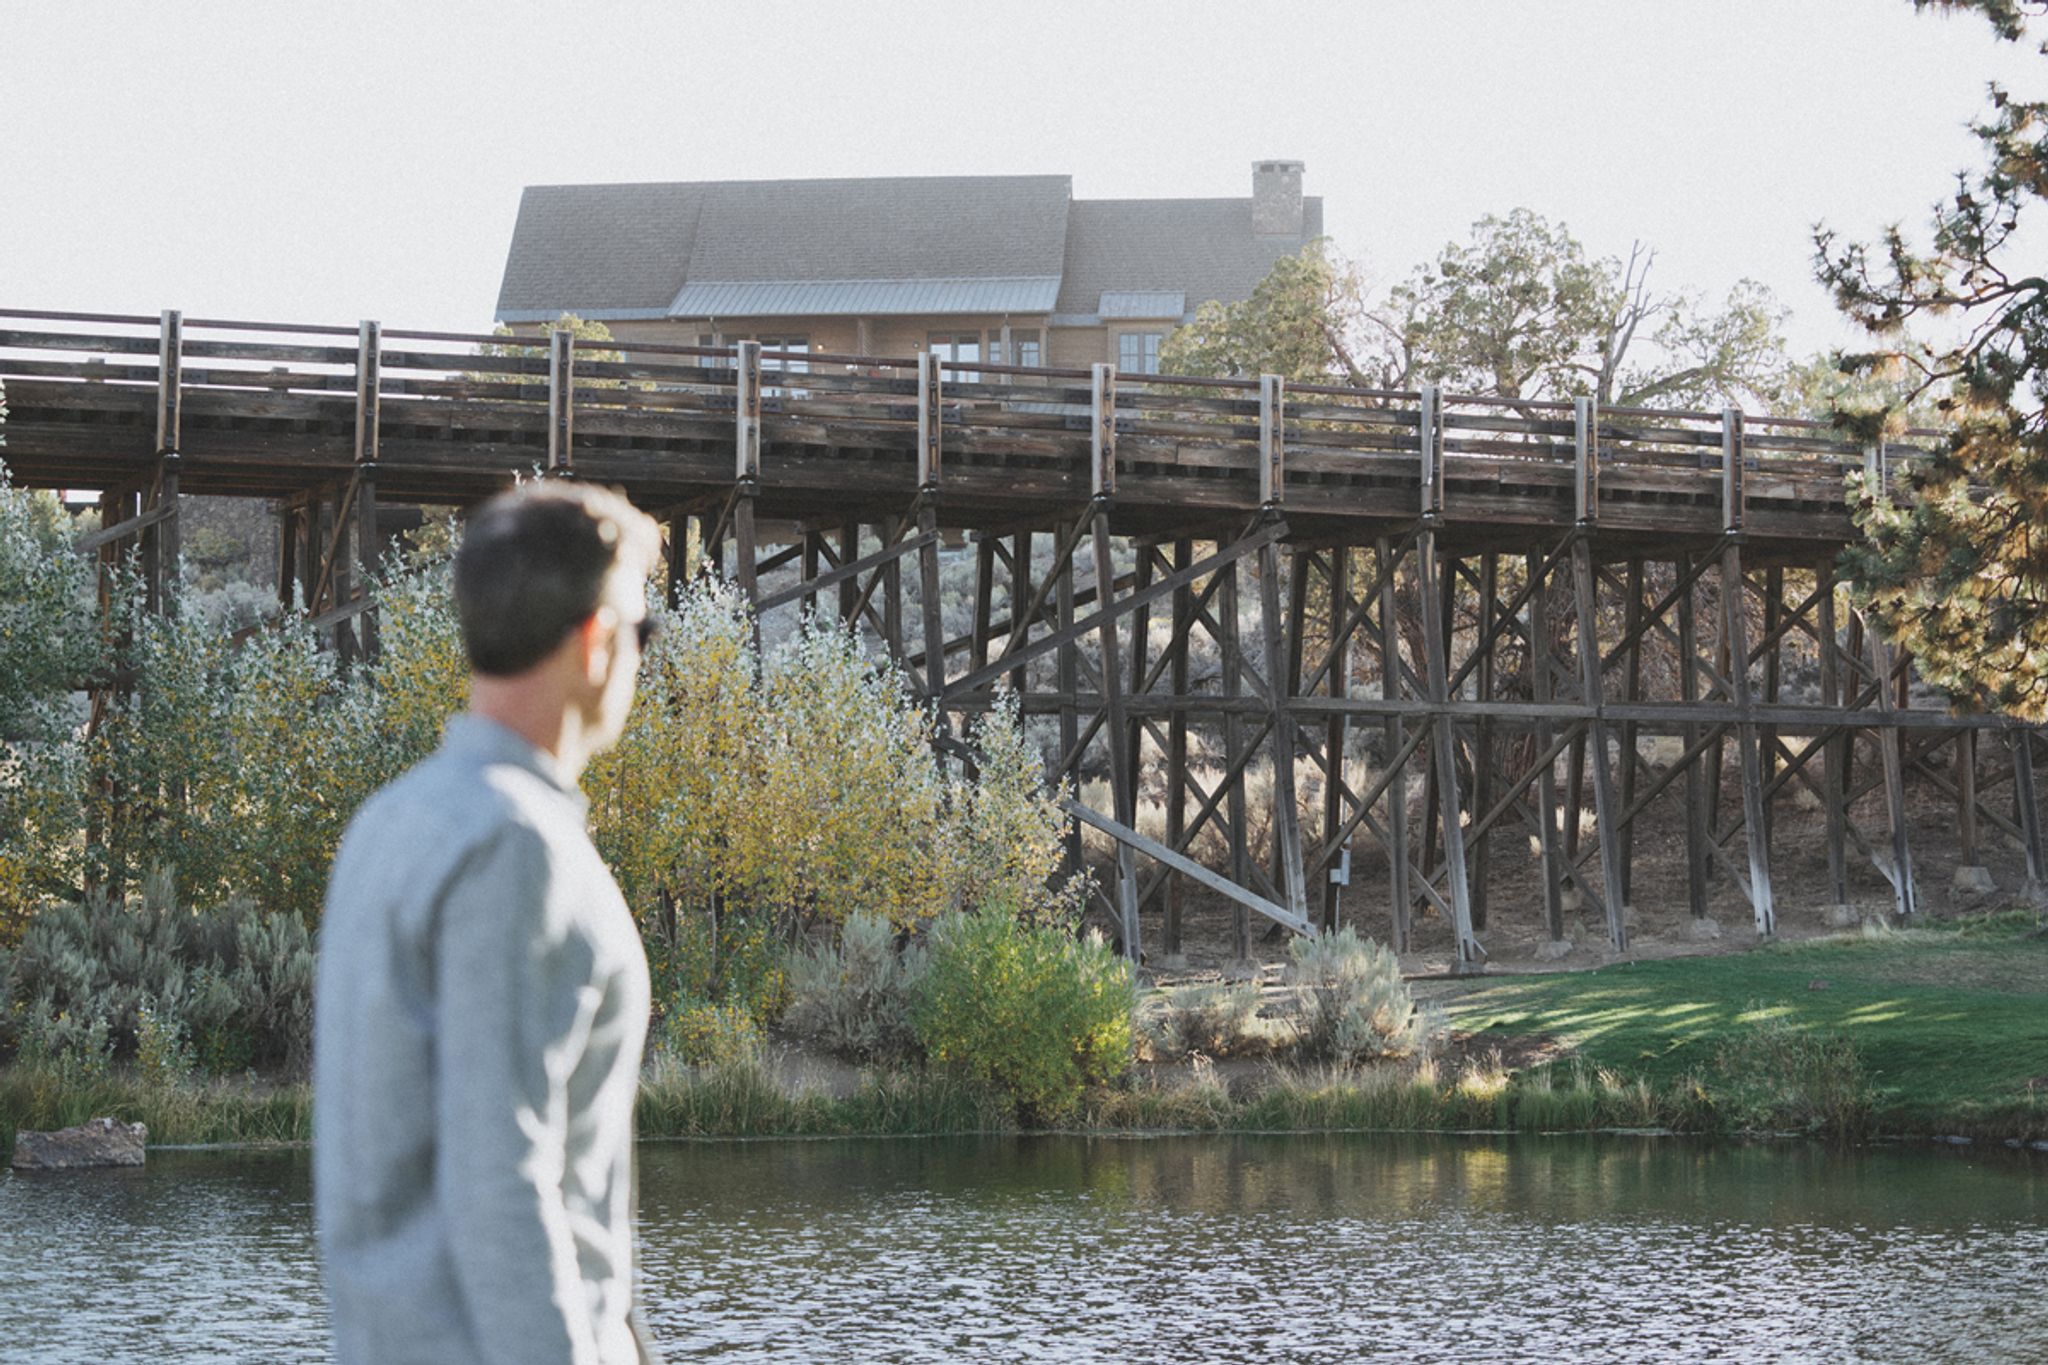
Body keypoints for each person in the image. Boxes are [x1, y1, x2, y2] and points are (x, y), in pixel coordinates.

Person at [314, 481, 665, 1365]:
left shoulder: (385, 824)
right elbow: (501, 1185)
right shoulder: (517, 847)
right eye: (641, 633)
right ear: (594, 641)